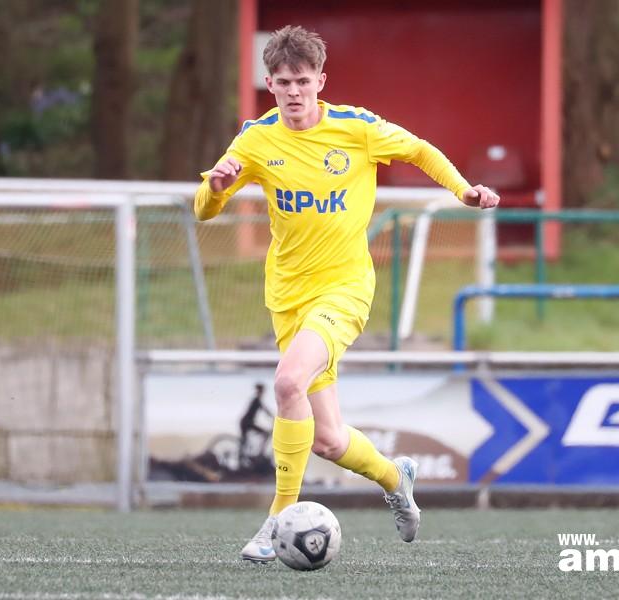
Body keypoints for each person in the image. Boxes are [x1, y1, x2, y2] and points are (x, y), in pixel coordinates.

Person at [194, 25, 500, 563]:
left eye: (303, 81)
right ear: (270, 83)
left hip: (344, 288)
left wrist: (462, 190)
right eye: (283, 82)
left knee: (287, 381)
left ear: (320, 81)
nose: (293, 91)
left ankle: (275, 521)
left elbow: (419, 150)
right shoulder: (256, 139)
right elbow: (204, 210)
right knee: (330, 440)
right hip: (287, 296)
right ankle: (395, 477)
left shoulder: (357, 128)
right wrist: (216, 189)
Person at [238, 382, 273, 466]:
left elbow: (265, 411)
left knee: (244, 442)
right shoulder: (256, 400)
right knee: (265, 434)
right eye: (261, 391)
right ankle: (258, 454)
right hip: (247, 423)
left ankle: (244, 459)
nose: (262, 393)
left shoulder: (256, 400)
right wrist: (274, 418)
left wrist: (272, 417)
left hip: (245, 422)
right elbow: (266, 411)